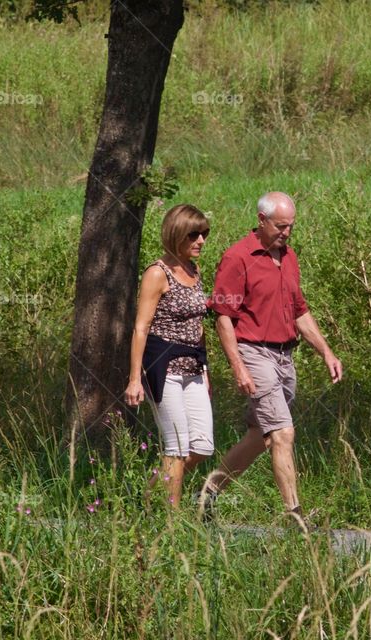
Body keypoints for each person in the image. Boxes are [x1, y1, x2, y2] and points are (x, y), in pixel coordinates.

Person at [201, 191, 342, 525]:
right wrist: (239, 367)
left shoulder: (289, 256)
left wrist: (326, 352)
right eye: (280, 226)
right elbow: (223, 317)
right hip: (254, 352)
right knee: (283, 433)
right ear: (261, 220)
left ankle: (208, 491)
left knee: (261, 436)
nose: (286, 232)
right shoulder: (238, 257)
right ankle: (295, 515)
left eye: (291, 226)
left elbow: (300, 312)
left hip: (284, 356)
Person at [124, 204, 214, 508]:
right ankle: (172, 523)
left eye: (204, 234)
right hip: (162, 368)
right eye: (194, 235)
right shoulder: (156, 273)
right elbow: (140, 327)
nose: (201, 241)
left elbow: (198, 324)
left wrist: (205, 372)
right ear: (176, 234)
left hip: (193, 368)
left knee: (201, 445)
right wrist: (135, 379)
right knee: (175, 448)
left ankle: (150, 494)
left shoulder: (194, 269)